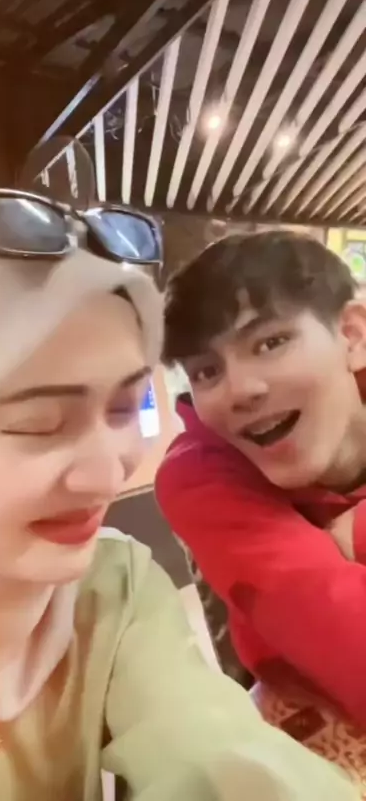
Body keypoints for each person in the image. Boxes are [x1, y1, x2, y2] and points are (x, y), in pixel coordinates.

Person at [0, 190, 358, 801]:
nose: (108, 475)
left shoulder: (113, 587)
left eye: (124, 407)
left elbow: (215, 755)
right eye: (39, 423)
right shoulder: (193, 489)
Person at [156, 230, 366, 793]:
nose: (240, 390)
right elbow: (342, 634)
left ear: (352, 335)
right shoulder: (199, 473)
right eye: (206, 371)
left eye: (271, 342)